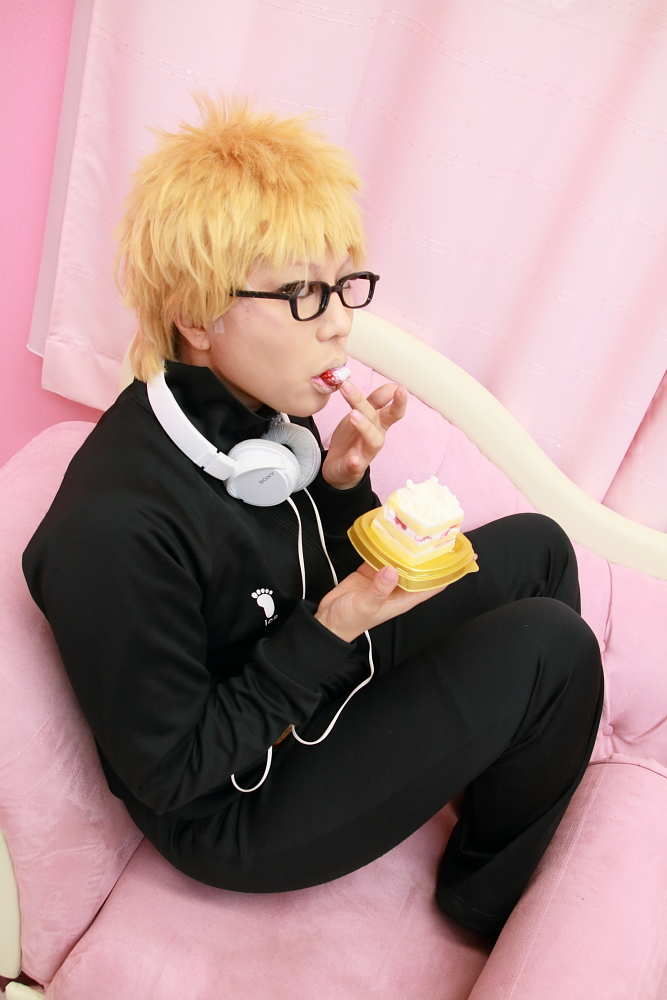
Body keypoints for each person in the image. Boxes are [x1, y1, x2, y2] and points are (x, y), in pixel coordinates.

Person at [23, 97, 603, 938]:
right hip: (236, 799)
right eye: (300, 292)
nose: (339, 324)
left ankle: (494, 772)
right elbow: (174, 771)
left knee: (540, 550)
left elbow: (294, 574)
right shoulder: (114, 531)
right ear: (196, 314)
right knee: (552, 647)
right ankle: (479, 905)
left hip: (306, 674)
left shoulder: (264, 414)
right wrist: (332, 628)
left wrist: (338, 485)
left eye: (339, 287)